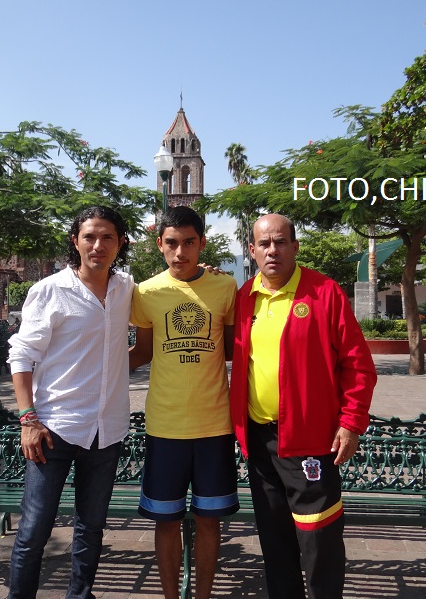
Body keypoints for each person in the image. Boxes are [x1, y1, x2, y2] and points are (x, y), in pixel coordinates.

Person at [229, 213, 377, 599]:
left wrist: (351, 422)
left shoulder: (324, 292)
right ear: (252, 250)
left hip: (310, 441)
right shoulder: (245, 297)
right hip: (260, 441)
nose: (272, 251)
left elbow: (358, 364)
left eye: (280, 242)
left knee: (319, 540)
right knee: (274, 539)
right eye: (264, 244)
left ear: (295, 247)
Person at [5, 206, 134, 599]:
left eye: (107, 237)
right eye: (89, 236)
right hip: (53, 430)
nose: (98, 245)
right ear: (75, 241)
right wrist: (28, 419)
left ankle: (80, 594)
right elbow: (21, 355)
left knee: (91, 527)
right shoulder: (50, 290)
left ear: (120, 243)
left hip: (106, 431)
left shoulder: (127, 288)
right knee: (34, 530)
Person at [128, 206, 238, 599]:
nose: (180, 252)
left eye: (189, 242)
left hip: (214, 427)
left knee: (209, 522)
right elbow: (142, 352)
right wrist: (91, 370)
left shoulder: (225, 287)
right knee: (166, 521)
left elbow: (231, 350)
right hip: (165, 426)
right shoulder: (145, 292)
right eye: (172, 243)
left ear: (202, 243)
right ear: (159, 244)